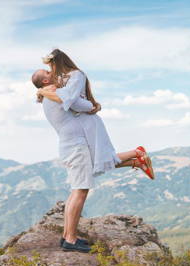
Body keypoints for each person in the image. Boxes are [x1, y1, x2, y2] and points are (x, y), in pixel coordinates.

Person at [32, 49, 154, 253]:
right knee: (80, 191)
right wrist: (92, 104)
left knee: (77, 189)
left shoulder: (51, 96)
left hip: (72, 145)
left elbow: (74, 104)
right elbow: (81, 104)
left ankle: (67, 237)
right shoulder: (55, 95)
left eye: (50, 67)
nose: (51, 71)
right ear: (45, 82)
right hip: (75, 146)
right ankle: (70, 239)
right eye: (47, 72)